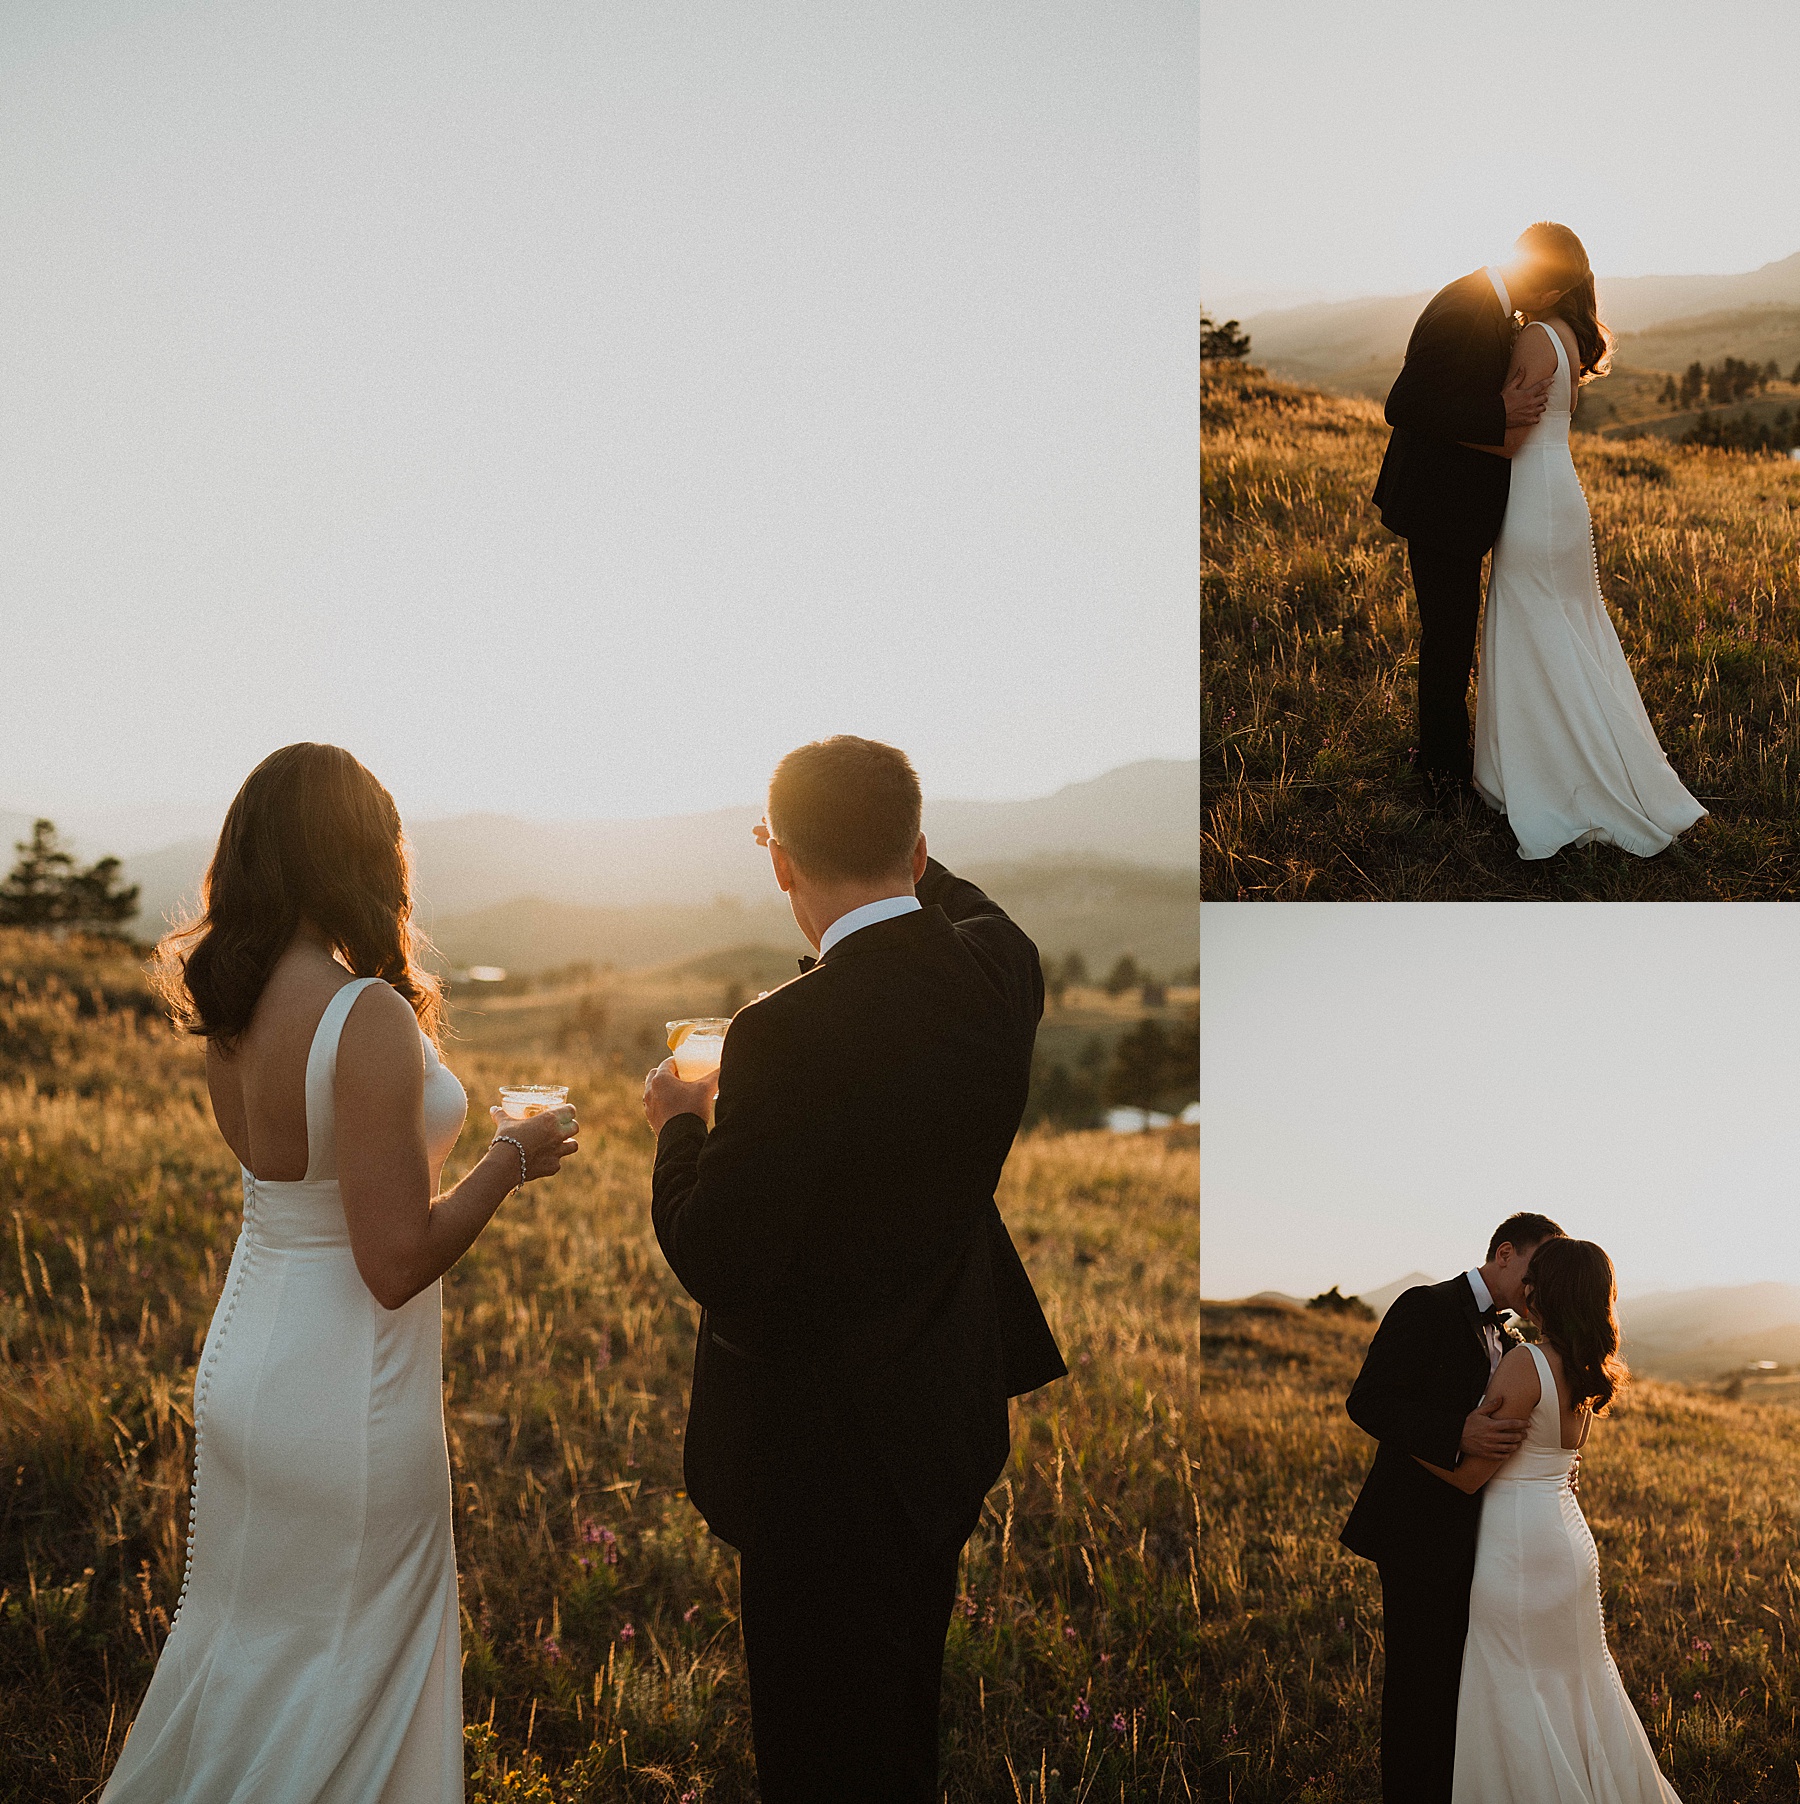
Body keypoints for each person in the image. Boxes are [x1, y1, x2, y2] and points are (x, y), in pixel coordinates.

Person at [105, 743, 580, 1804]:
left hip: (249, 1359)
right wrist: (511, 1159)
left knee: (251, 1652)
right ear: (364, 853)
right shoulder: (364, 1013)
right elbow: (394, 1260)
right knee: (358, 1673)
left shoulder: (232, 999)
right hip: (346, 1393)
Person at [640, 734, 1067, 1803]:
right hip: (941, 1430)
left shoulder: (781, 1034)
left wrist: (680, 1127)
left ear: (780, 864)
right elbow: (960, 898)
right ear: (919, 849)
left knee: (819, 1745)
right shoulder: (1001, 970)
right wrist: (877, 830)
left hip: (816, 1465)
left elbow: (718, 1257)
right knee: (901, 1721)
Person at [1469, 223, 1706, 859]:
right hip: (1558, 491)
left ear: (1549, 276)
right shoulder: (1570, 337)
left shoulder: (1530, 337)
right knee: (1568, 625)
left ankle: (1554, 775)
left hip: (1531, 495)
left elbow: (1507, 431)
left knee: (1535, 623)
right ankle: (1586, 759)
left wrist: (1448, 431)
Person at [1418, 1237, 1680, 1803]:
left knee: (1514, 1688)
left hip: (1517, 1550)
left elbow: (1468, 1476)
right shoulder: (1585, 1369)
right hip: (1567, 1539)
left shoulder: (1525, 1363)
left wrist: (1403, 1441)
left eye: (1536, 1278)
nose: (1526, 1287)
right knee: (1575, 1689)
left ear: (1552, 1290)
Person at [1340, 1212, 1566, 1803]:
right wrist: (1453, 1434)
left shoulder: (1515, 1339)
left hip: (1481, 1534)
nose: (1539, 1285)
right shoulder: (1425, 1306)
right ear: (1505, 1252)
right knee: (1418, 1685)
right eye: (1534, 1268)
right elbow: (1367, 1401)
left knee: (1463, 1684)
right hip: (1415, 1529)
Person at [1372, 232, 1558, 792]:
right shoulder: (1465, 306)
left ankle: (1445, 756)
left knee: (1450, 633)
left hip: (1453, 503)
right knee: (1448, 636)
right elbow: (1402, 404)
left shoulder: (1490, 303)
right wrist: (1495, 410)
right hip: (1436, 502)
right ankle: (1441, 770)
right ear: (1543, 282)